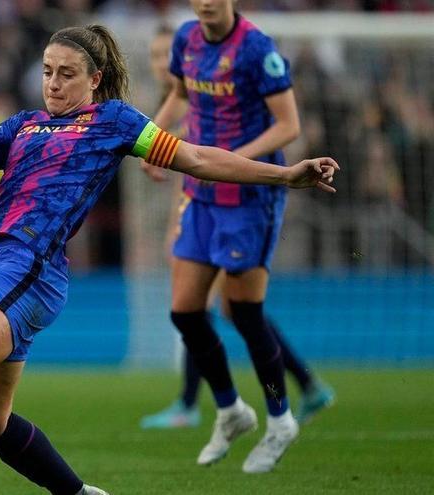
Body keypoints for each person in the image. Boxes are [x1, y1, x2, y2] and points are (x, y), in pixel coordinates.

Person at [0, 24, 337, 495]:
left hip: (28, 262)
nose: (53, 83)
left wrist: (283, 175)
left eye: (67, 74)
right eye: (48, 72)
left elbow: (195, 157)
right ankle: (79, 493)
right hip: (3, 265)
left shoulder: (113, 121)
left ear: (95, 79)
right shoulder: (24, 124)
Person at [136, 0, 335, 474]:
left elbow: (289, 126)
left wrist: (232, 164)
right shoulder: (186, 38)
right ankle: (229, 410)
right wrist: (153, 137)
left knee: (244, 314)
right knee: (185, 311)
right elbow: (181, 97)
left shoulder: (258, 50)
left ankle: (280, 417)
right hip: (200, 192)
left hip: (248, 198)